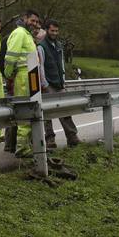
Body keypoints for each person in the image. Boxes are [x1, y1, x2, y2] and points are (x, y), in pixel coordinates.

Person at [2, 10, 41, 158]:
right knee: (25, 111)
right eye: (32, 20)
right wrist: (8, 73)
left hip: (31, 74)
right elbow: (11, 56)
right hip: (24, 75)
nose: (35, 24)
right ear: (24, 18)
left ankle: (26, 145)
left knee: (30, 110)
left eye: (37, 22)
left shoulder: (26, 34)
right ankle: (22, 148)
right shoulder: (19, 33)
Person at [41, 19, 79, 148]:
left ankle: (72, 137)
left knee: (65, 110)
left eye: (57, 31)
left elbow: (61, 64)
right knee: (47, 114)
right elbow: (40, 67)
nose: (55, 33)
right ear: (47, 30)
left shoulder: (59, 45)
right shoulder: (41, 47)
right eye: (52, 30)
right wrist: (44, 84)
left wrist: (63, 81)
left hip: (59, 84)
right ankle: (50, 139)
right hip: (48, 85)